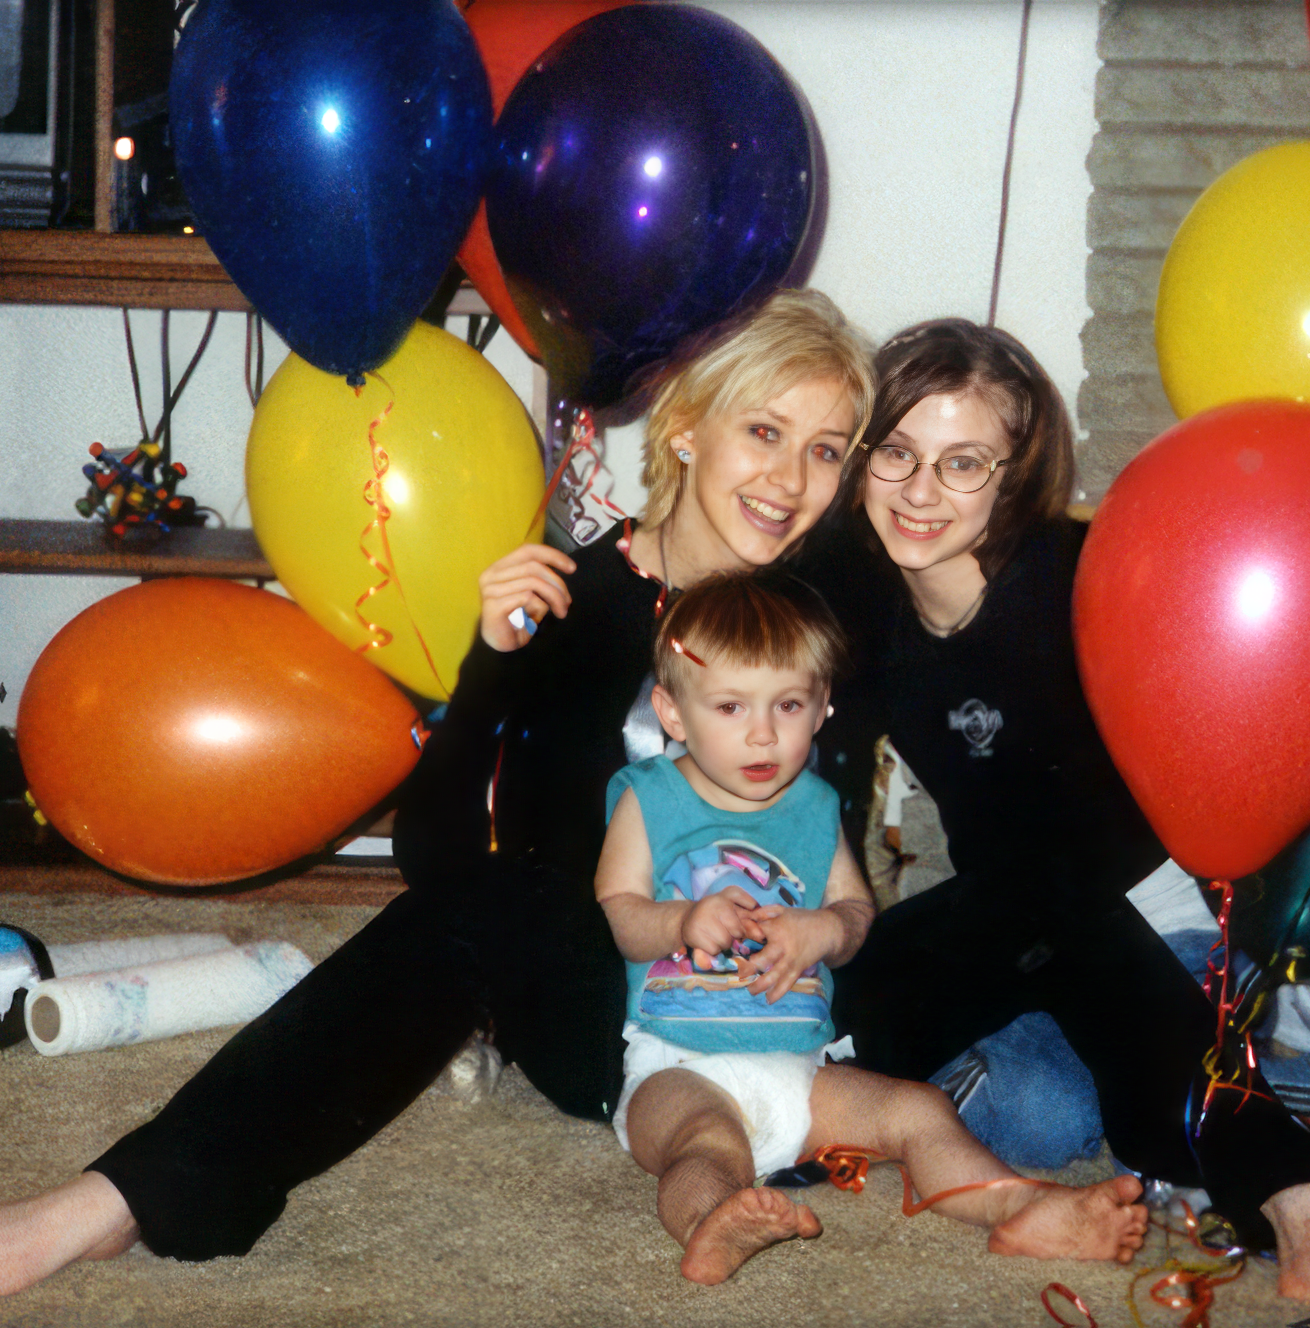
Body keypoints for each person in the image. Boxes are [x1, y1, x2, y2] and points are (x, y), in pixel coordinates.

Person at [0, 288, 877, 1296]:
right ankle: (115, 1202)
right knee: (496, 902)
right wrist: (491, 666)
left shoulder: (828, 615)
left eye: (826, 449)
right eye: (764, 430)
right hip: (612, 1028)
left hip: (790, 1018)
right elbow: (435, 859)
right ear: (684, 425)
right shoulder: (570, 598)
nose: (790, 478)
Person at [799, 318, 1310, 1328]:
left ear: (1017, 472)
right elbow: (719, 624)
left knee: (1045, 1094)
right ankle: (1269, 1082)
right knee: (977, 1031)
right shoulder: (852, 576)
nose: (919, 491)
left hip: (1152, 914)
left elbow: (1298, 720)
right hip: (1001, 925)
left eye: (963, 461)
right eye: (897, 451)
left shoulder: (1080, 576)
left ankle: (1307, 1187)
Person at [597, 573, 1148, 1284]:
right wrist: (681, 918)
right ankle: (713, 1224)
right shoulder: (650, 798)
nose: (762, 733)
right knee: (705, 1144)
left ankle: (1017, 1206)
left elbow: (856, 915)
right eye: (730, 706)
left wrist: (823, 932)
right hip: (677, 1065)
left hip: (803, 1072)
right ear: (672, 713)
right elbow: (621, 916)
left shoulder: (815, 806)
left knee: (918, 1110)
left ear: (823, 706)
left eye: (789, 705)